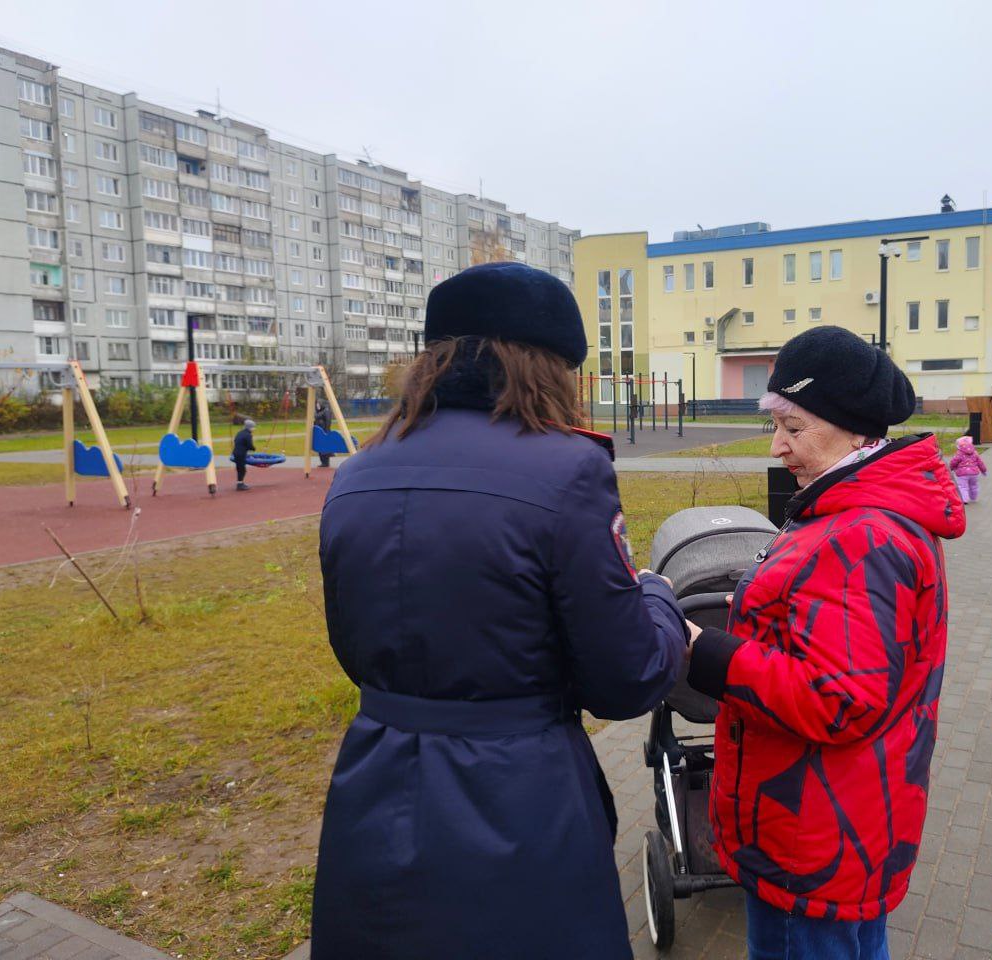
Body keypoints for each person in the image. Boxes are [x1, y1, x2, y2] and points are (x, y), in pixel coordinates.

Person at [310, 262, 688, 960]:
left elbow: (351, 645)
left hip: (376, 788)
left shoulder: (357, 473)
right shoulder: (567, 470)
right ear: (550, 366)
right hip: (518, 801)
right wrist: (659, 598)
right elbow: (625, 677)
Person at [685, 326, 966, 960]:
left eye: (795, 427)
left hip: (812, 832)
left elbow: (840, 699)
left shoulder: (862, 533)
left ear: (854, 431)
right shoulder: (852, 509)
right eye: (773, 426)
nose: (779, 446)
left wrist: (703, 650)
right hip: (842, 819)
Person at [948, 434, 988, 505]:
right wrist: (984, 471)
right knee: (974, 485)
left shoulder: (959, 453)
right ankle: (973, 497)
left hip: (962, 474)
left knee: (963, 487)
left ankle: (964, 499)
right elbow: (980, 462)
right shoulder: (975, 453)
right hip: (974, 473)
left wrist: (950, 468)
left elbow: (954, 461)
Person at [231, 418, 255, 491]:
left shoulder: (240, 432)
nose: (254, 429)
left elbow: (236, 441)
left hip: (235, 452)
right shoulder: (248, 435)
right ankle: (240, 484)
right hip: (241, 454)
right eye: (253, 427)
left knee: (239, 469)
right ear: (250, 427)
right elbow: (249, 445)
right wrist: (253, 448)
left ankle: (240, 483)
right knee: (242, 470)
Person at [313, 398, 332, 468]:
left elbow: (328, 421)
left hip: (324, 431)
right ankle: (322, 462)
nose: (317, 405)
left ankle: (326, 462)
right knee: (320, 448)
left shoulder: (326, 411)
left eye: (318, 403)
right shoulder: (317, 412)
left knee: (325, 448)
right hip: (318, 431)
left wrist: (326, 431)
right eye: (317, 404)